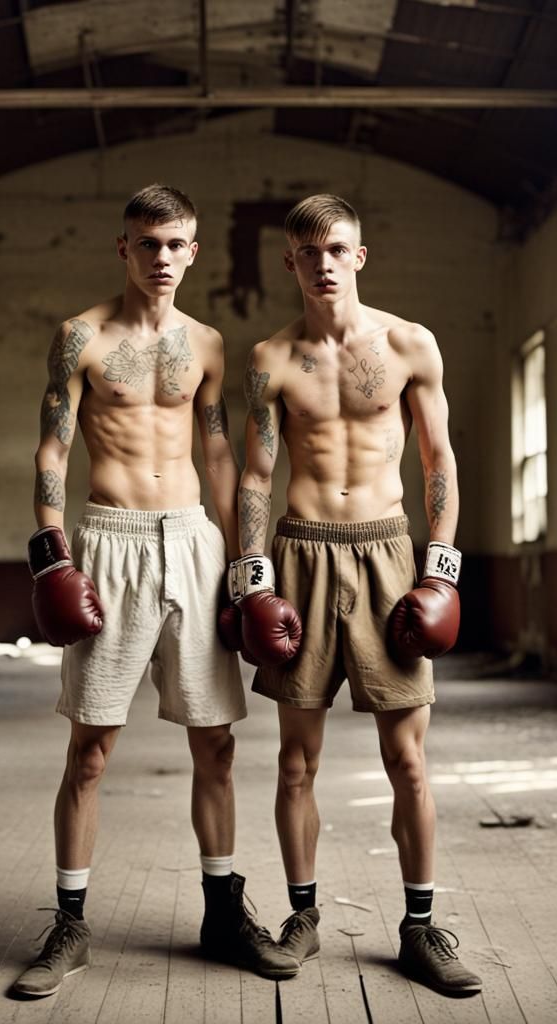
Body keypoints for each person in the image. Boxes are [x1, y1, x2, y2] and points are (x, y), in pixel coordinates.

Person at [15, 184, 299, 998]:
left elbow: (219, 458)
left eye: (177, 245)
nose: (163, 258)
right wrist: (52, 557)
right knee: (91, 750)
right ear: (124, 248)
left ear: (195, 250)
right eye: (148, 244)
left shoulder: (207, 344)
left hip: (193, 544)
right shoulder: (81, 338)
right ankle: (69, 924)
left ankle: (221, 911)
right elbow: (51, 454)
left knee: (216, 743)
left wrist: (245, 570)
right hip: (109, 539)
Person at [227, 194, 482, 996]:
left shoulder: (410, 345)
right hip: (301, 554)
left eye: (338, 249)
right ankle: (303, 916)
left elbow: (439, 465)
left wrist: (440, 570)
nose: (325, 262)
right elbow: (256, 478)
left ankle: (420, 927)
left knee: (407, 757)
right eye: (309, 252)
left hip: (387, 554)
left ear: (359, 256)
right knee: (296, 759)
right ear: (291, 263)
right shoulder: (271, 358)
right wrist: (253, 578)